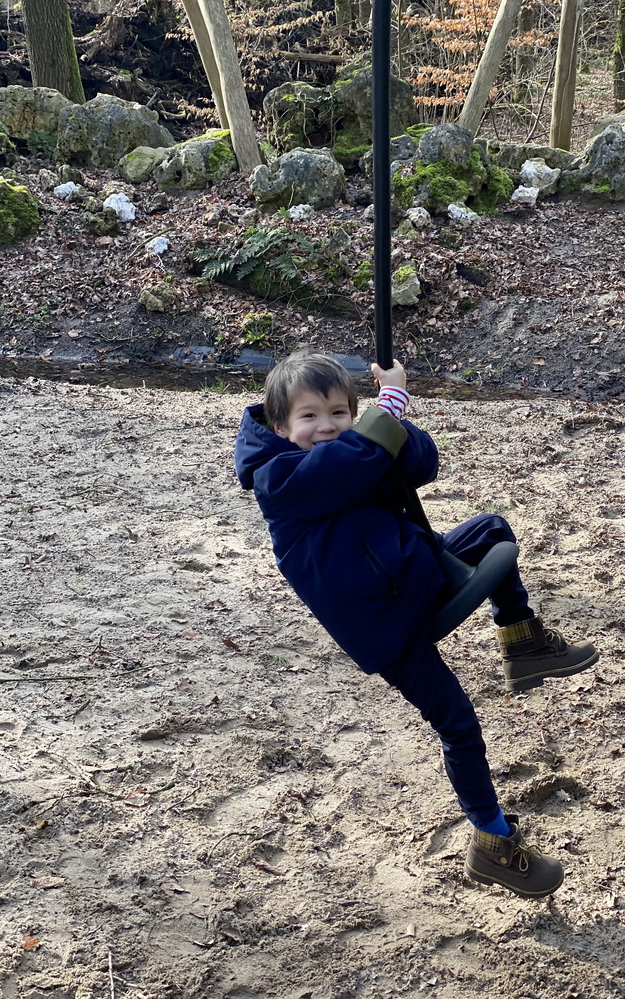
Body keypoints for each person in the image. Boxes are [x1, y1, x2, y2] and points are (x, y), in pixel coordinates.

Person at [234, 351, 599, 898]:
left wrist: (395, 423)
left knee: (493, 531)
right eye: (309, 417)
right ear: (280, 426)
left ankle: (523, 644)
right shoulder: (281, 479)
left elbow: (423, 465)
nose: (327, 427)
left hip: (418, 572)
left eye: (340, 412)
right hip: (383, 623)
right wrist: (386, 415)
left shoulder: (360, 446)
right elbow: (341, 470)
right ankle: (493, 843)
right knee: (457, 723)